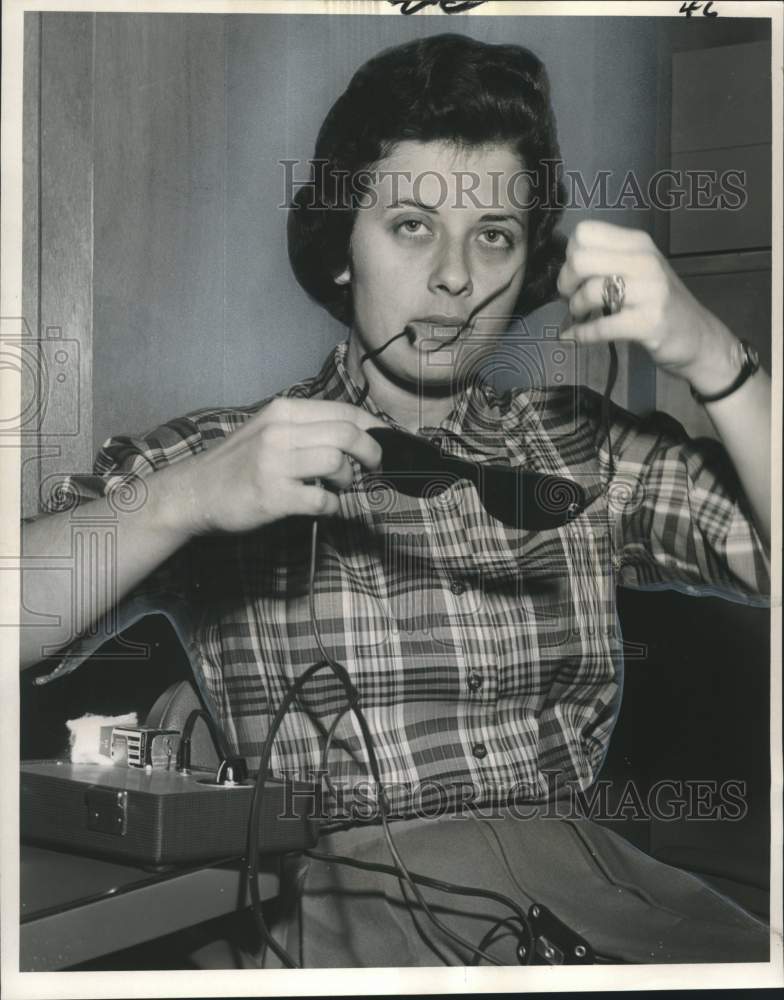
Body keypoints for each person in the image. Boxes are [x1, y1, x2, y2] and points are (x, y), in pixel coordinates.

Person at [20, 33, 771, 967]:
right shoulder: (229, 458)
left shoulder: (582, 445)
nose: (454, 277)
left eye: (492, 235)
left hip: (599, 906)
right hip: (352, 919)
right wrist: (181, 499)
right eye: (412, 225)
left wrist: (711, 356)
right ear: (343, 251)